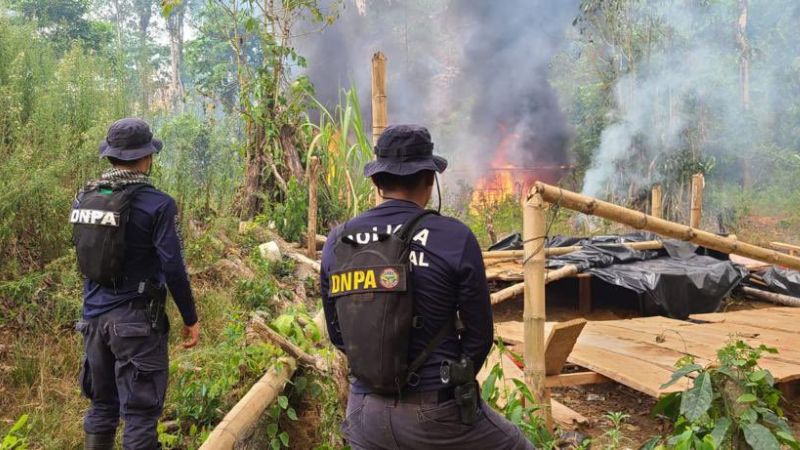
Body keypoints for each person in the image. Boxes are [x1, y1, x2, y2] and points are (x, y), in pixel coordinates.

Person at [320, 124, 533, 449]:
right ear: (429, 179)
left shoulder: (339, 239)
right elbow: (479, 338)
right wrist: (447, 387)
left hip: (364, 415)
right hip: (436, 412)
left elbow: (338, 335)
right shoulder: (454, 237)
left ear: (377, 182)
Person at [72, 118, 200, 450]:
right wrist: (190, 318)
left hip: (93, 320)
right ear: (146, 158)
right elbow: (173, 267)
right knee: (140, 417)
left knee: (102, 406)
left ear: (112, 156)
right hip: (135, 325)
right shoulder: (158, 204)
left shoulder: (85, 197)